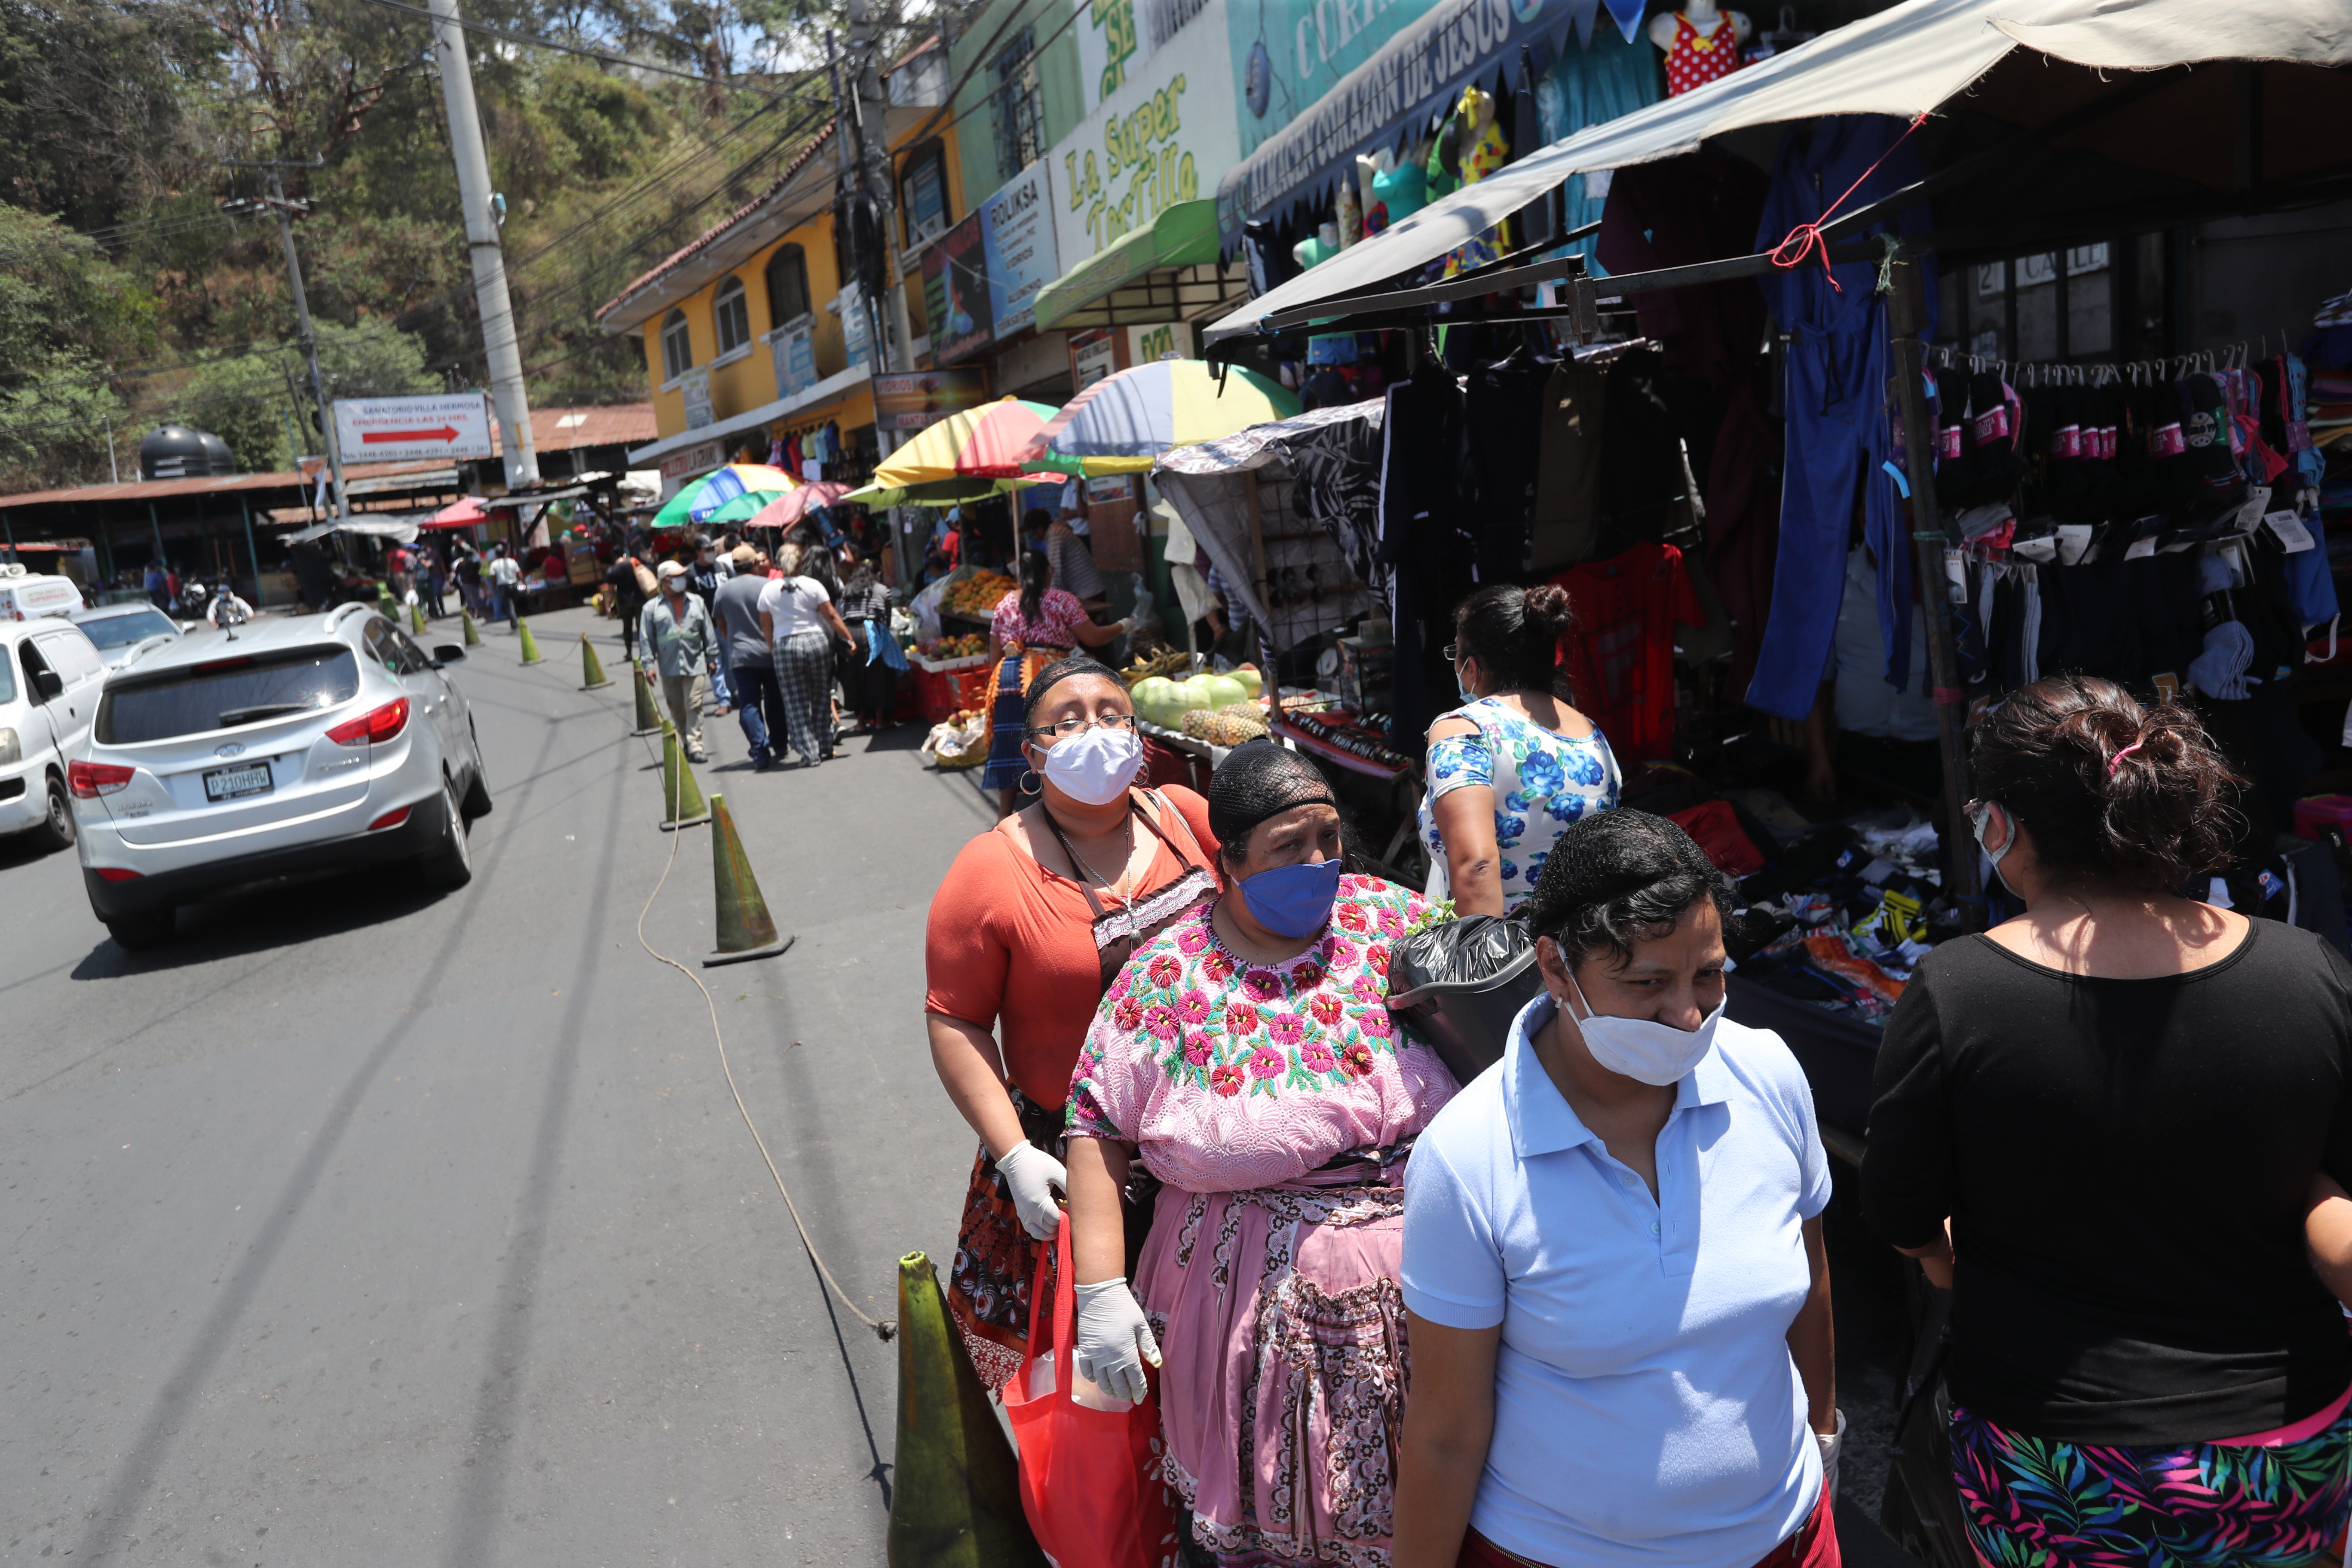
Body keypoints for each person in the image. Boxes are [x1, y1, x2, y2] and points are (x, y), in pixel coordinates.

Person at [1863, 675, 2352, 1568]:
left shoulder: (1957, 990)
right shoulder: (2310, 970)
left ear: (2002, 825)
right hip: (2286, 1446)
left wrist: (1946, 1262)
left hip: (2053, 1453)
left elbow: (1898, 1209)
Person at [1392, 808, 1839, 1568]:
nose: (1688, 1014)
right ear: (1557, 967)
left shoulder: (1766, 1074)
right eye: (1646, 983)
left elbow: (1811, 1281)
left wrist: (1825, 1441)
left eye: (1708, 973)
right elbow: (1444, 1430)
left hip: (1787, 1540)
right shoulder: (1468, 1156)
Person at [1063, 739, 1458, 1568]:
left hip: (1435, 1283)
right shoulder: (1164, 977)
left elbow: (1488, 1031)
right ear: (1227, 859)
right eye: (1288, 847)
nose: (1317, 863)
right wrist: (1100, 1288)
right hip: (1242, 1306)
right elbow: (1096, 1121)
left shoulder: (1389, 919)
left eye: (1327, 837)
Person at [924, 655, 1223, 1389]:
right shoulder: (989, 869)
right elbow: (955, 1019)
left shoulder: (1186, 812)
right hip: (1076, 1166)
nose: (1096, 729)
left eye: (1112, 713)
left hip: (1217, 1136)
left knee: (1215, 1358)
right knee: (1097, 1390)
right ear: (1033, 753)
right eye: (1069, 719)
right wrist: (1013, 1154)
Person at [1418, 584, 1621, 916]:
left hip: (1515, 949)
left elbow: (1476, 866)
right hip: (1592, 941)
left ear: (1473, 666)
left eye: (1455, 654)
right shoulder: (1591, 733)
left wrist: (1483, 962)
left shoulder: (1464, 730)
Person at [981, 548, 1131, 817]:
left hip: (1008, 676)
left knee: (1008, 742)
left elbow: (994, 645)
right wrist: (1123, 625)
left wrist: (999, 679)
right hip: (1047, 675)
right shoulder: (1062, 600)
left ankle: (1004, 815)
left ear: (1020, 575)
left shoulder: (1005, 603)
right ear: (1049, 571)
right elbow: (1093, 637)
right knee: (1054, 741)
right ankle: (1056, 811)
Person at [1801, 540, 1940, 804]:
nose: (1905, 532)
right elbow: (1816, 681)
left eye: (1911, 522)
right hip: (1859, 756)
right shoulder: (1836, 580)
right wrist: (1818, 759)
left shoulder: (1946, 576)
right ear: (1867, 516)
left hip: (1933, 755)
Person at [756, 542, 857, 768]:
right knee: (821, 695)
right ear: (801, 563)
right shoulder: (813, 585)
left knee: (795, 702)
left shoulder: (768, 590)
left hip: (786, 644)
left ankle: (809, 753)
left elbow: (766, 626)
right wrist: (849, 638)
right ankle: (824, 745)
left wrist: (774, 649)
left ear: (779, 564)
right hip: (816, 641)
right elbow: (831, 616)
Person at [639, 560, 717, 762]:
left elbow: (708, 631)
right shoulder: (651, 609)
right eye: (677, 576)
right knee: (676, 707)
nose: (683, 579)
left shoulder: (697, 602)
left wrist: (712, 657)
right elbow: (647, 639)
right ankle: (685, 740)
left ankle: (696, 745)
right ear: (665, 581)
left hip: (696, 662)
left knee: (694, 704)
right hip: (668, 666)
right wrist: (648, 666)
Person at [714, 545, 783, 769]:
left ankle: (760, 751)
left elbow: (721, 624)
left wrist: (734, 641)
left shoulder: (723, 591)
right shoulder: (767, 586)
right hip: (769, 653)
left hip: (741, 657)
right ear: (754, 564)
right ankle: (780, 743)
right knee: (775, 699)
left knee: (749, 704)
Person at [836, 552, 902, 734]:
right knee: (879, 675)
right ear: (878, 574)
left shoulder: (848, 588)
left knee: (856, 677)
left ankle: (860, 722)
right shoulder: (881, 589)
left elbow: (844, 613)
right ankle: (880, 721)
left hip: (849, 634)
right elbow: (886, 619)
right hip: (871, 633)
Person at [687, 539, 731, 715]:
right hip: (707, 626)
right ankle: (724, 700)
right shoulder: (691, 573)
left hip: (727, 622)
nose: (712, 552)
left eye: (713, 549)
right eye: (707, 549)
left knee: (731, 660)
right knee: (716, 664)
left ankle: (734, 693)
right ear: (698, 552)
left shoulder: (722, 568)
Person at [1039, 501, 1108, 609]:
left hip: (1089, 592)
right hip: (1085, 591)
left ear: (1040, 530)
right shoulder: (1054, 533)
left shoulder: (1056, 535)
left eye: (1032, 532)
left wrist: (1050, 600)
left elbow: (1054, 571)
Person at [605, 549, 649, 664]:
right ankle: (643, 652)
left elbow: (611, 591)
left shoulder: (612, 570)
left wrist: (608, 605)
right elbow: (645, 574)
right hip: (639, 599)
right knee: (641, 627)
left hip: (624, 602)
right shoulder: (634, 562)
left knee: (627, 627)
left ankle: (629, 653)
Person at [487, 545, 523, 630]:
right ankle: (514, 619)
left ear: (496, 554)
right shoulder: (512, 561)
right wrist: (524, 584)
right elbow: (519, 574)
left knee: (509, 605)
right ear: (505, 553)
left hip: (503, 587)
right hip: (514, 585)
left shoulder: (494, 564)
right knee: (512, 603)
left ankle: (514, 622)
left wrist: (494, 589)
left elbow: (494, 579)